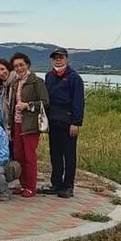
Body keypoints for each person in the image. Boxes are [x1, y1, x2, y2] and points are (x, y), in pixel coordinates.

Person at [2, 52, 49, 198]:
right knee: (19, 155)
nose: (19, 68)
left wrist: (27, 105)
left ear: (27, 64)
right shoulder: (15, 83)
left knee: (30, 156)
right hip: (16, 123)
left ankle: (31, 186)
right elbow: (12, 106)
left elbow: (45, 102)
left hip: (30, 125)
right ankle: (22, 184)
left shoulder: (37, 81)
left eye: (21, 65)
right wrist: (9, 125)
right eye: (16, 66)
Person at [43, 47, 85, 199]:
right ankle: (56, 183)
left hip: (68, 122)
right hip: (53, 121)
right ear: (52, 60)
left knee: (69, 155)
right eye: (55, 57)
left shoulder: (74, 78)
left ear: (67, 59)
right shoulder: (49, 76)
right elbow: (46, 101)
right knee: (55, 154)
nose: (58, 59)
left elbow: (78, 102)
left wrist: (76, 122)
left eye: (61, 57)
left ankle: (68, 186)